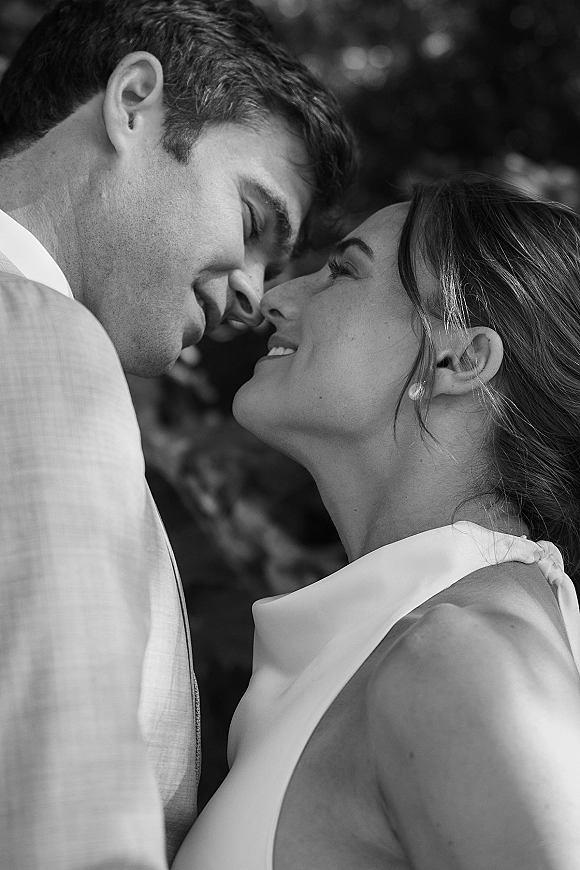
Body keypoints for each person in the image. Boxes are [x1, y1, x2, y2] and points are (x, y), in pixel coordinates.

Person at [0, 1, 356, 868]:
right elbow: (70, 803)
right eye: (253, 221)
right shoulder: (40, 338)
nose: (253, 294)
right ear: (132, 102)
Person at [174, 175, 580, 870]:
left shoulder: (462, 656)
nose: (274, 296)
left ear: (458, 361)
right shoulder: (410, 644)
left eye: (342, 272)